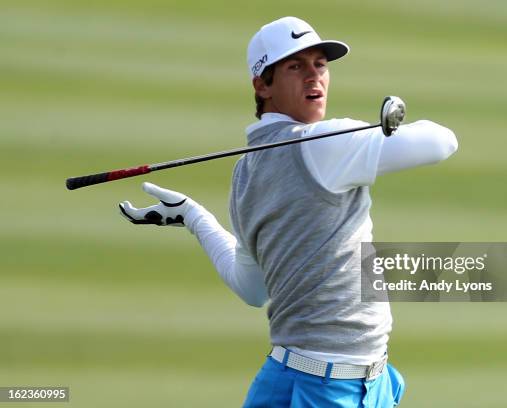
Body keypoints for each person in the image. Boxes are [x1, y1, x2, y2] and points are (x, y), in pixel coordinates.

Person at [119, 16, 458, 407]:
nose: (314, 77)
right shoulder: (325, 144)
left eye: (321, 65)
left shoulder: (244, 176)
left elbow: (252, 289)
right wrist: (389, 122)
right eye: (295, 67)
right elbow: (442, 142)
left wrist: (193, 217)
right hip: (330, 391)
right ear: (262, 85)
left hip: (300, 378)